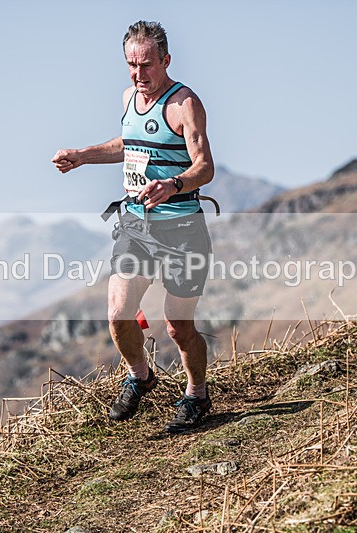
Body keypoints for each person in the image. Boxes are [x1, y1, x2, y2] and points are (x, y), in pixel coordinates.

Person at [52, 20, 215, 433]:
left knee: (179, 327)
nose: (138, 74)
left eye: (146, 65)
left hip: (181, 231)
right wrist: (83, 155)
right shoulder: (129, 97)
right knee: (117, 315)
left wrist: (174, 183)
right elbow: (129, 143)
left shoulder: (185, 104)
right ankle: (141, 376)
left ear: (165, 60)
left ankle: (197, 394)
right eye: (131, 65)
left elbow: (205, 167)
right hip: (135, 227)